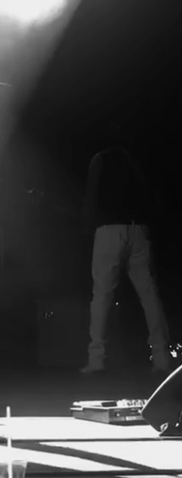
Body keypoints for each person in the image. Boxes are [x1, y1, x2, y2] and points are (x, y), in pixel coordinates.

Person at [80, 123, 171, 374]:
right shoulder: (135, 160)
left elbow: (91, 193)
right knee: (150, 297)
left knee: (101, 297)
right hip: (138, 229)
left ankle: (97, 359)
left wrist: (87, 226)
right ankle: (162, 357)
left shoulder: (101, 159)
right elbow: (151, 194)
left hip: (109, 230)